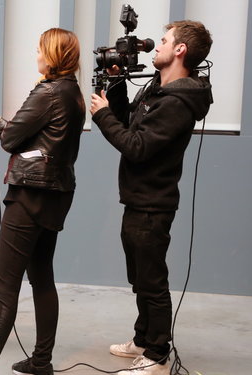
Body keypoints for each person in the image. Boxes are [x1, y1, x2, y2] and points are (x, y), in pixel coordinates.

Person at [0, 28, 85, 375]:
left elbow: (13, 139)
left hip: (30, 193)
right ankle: (41, 360)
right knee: (42, 277)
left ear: (53, 55)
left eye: (41, 50)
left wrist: (1, 128)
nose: (37, 55)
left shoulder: (48, 92)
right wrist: (1, 124)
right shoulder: (73, 92)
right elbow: (35, 136)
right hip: (57, 193)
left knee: (4, 286)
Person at [90, 21, 213, 375]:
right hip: (138, 199)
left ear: (180, 50)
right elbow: (129, 122)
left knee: (152, 281)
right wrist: (114, 86)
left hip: (152, 204)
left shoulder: (178, 101)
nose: (155, 46)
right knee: (140, 277)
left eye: (163, 41)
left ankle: (158, 354)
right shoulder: (158, 90)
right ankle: (143, 338)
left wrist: (100, 116)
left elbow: (137, 147)